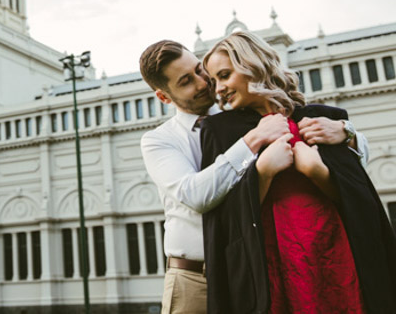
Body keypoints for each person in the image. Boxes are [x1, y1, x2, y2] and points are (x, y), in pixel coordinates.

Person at [138, 40, 367, 314]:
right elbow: (195, 195)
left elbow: (352, 165)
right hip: (194, 276)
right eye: (187, 81)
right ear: (164, 97)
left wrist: (347, 132)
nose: (204, 84)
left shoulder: (240, 111)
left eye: (201, 71)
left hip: (249, 268)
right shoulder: (159, 140)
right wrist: (254, 142)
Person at [201, 31, 396, 314]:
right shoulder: (219, 132)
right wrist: (263, 172)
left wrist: (317, 171)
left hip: (335, 259)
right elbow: (221, 222)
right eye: (214, 81)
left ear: (252, 65)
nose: (218, 89)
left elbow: (363, 204)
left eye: (224, 75)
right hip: (271, 270)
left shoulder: (325, 119)